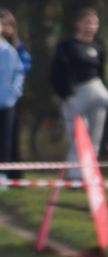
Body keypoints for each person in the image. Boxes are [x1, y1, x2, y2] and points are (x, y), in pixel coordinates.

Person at [50, 7, 108, 179]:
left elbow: (101, 72)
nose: (91, 26)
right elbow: (57, 71)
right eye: (87, 22)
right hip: (76, 94)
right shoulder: (67, 45)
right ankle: (76, 175)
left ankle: (91, 174)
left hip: (97, 94)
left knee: (94, 138)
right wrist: (65, 94)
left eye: (94, 23)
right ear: (78, 24)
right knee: (77, 136)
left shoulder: (98, 47)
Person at [0, 9, 29, 179]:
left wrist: (13, 95)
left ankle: (4, 174)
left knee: (6, 139)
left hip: (7, 102)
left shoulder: (12, 50)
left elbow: (20, 71)